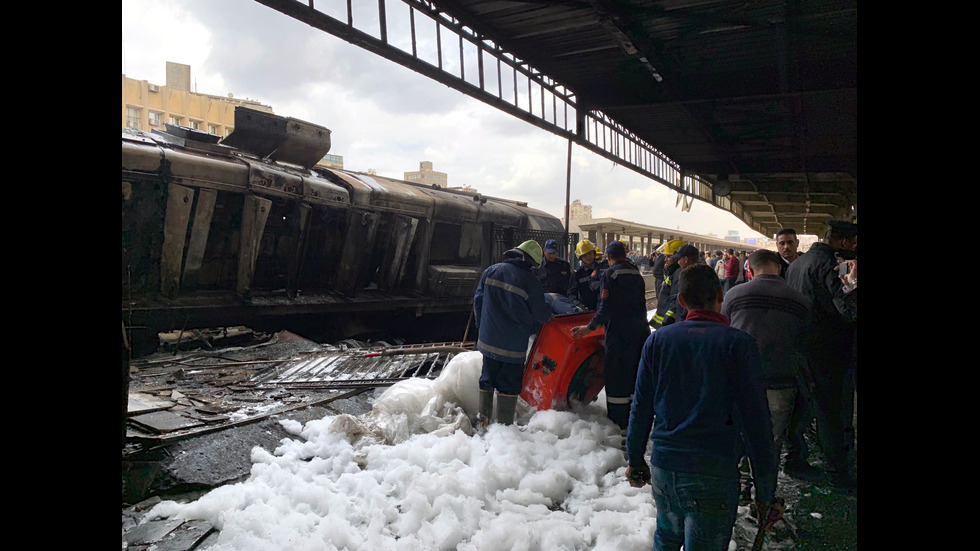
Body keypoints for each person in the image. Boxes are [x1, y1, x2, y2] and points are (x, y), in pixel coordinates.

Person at [625, 264, 783, 550]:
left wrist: (635, 460)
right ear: (720, 296)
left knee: (666, 538)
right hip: (713, 472)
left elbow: (641, 406)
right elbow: (757, 422)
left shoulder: (658, 341)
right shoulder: (739, 344)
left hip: (665, 468)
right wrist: (765, 490)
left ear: (682, 301)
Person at [722, 250, 811, 473]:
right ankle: (764, 496)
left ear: (750, 270)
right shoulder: (801, 301)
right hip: (782, 381)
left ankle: (741, 484)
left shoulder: (733, 295)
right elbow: (807, 341)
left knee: (739, 435)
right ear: (779, 269)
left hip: (741, 380)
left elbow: (722, 332)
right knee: (771, 441)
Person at [785, 220, 858, 490]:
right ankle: (838, 475)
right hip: (829, 350)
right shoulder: (829, 265)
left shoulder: (798, 264)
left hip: (801, 346)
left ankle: (796, 459)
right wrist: (852, 283)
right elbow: (848, 310)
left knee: (805, 407)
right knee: (832, 412)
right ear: (844, 242)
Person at [570, 241, 649, 429]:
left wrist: (589, 328)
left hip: (619, 335)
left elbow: (606, 307)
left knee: (616, 377)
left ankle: (617, 421)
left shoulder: (610, 274)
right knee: (632, 375)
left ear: (609, 257)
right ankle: (632, 417)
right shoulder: (636, 274)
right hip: (639, 333)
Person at [473, 240, 552, 427]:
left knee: (487, 379)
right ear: (529, 261)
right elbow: (542, 314)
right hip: (512, 346)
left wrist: (482, 328)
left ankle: (482, 423)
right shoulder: (530, 281)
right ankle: (503, 428)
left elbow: (478, 302)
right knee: (508, 385)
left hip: (488, 340)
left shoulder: (491, 271)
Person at [659, 244, 701, 328]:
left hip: (686, 323)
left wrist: (671, 321)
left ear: (685, 259)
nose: (678, 262)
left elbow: (677, 301)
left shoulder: (686, 276)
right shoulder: (702, 273)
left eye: (679, 259)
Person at [649, 240, 685, 328]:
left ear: (677, 257)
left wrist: (668, 320)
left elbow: (675, 299)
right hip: (664, 316)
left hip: (669, 322)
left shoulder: (678, 274)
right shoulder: (673, 271)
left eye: (668, 256)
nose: (665, 259)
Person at [567, 239, 609, 311]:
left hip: (603, 307)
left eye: (590, 254)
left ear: (594, 254)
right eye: (585, 255)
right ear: (581, 258)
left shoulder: (603, 268)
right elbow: (571, 293)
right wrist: (577, 304)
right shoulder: (577, 273)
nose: (588, 257)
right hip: (586, 309)